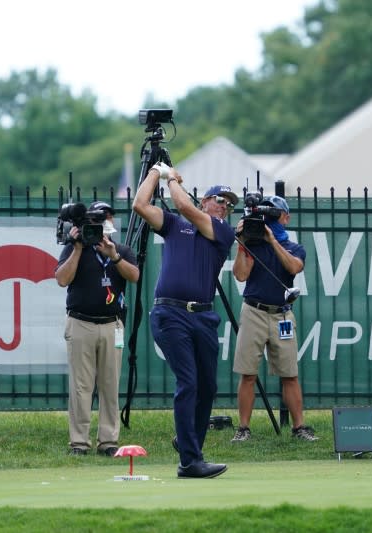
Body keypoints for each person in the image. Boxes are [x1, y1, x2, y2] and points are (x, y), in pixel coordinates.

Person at [132, 162, 237, 479]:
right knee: (189, 381)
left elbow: (182, 204)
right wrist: (154, 173)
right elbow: (140, 205)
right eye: (220, 200)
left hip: (203, 316)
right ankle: (190, 461)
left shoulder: (222, 231)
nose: (225, 207)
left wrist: (173, 178)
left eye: (230, 205)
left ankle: (188, 441)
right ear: (205, 201)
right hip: (170, 313)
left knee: (208, 386)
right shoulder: (175, 224)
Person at [55, 201, 140, 456]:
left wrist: (113, 256)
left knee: (109, 384)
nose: (101, 223)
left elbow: (134, 276)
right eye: (96, 218)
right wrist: (79, 248)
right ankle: (79, 442)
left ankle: (108, 441)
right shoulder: (74, 247)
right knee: (81, 386)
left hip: (111, 324)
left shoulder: (121, 249)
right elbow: (62, 279)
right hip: (81, 322)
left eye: (106, 217)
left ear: (111, 220)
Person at [231, 195, 318, 442]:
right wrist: (241, 243)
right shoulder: (252, 244)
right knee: (248, 373)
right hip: (254, 311)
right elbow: (240, 275)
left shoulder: (293, 247)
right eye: (268, 216)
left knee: (289, 374)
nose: (271, 220)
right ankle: (244, 428)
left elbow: (293, 268)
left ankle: (299, 427)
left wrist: (271, 239)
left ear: (285, 218)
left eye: (275, 215)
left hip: (282, 314)